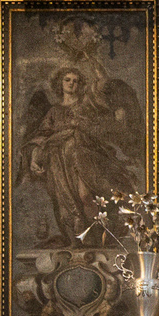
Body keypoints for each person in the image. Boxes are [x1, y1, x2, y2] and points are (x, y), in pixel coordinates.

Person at [18, 65, 143, 247]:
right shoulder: (54, 112)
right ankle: (81, 241)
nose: (71, 84)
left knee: (86, 196)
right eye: (67, 80)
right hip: (60, 162)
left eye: (76, 81)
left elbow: (101, 88)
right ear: (60, 84)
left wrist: (91, 60)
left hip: (83, 158)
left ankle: (101, 236)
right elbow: (42, 135)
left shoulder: (85, 105)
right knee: (68, 204)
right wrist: (35, 154)